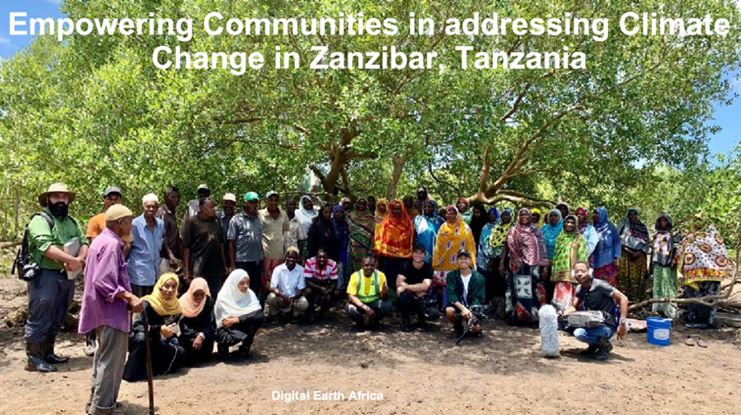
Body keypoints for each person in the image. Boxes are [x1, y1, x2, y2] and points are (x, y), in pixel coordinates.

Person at [79, 204, 143, 414]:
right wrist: (128, 296)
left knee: (103, 358)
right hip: (110, 312)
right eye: (129, 221)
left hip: (101, 311)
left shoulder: (101, 241)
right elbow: (103, 281)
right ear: (119, 223)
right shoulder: (112, 244)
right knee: (112, 362)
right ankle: (103, 408)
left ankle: (97, 402)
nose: (131, 225)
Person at [25, 183, 89, 372]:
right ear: (48, 199)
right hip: (45, 274)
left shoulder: (72, 221)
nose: (61, 200)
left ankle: (48, 352)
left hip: (67, 275)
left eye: (64, 196)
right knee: (40, 313)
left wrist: (80, 259)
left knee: (59, 313)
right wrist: (72, 259)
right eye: (56, 196)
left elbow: (84, 241)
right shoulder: (40, 220)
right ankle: (34, 358)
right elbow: (45, 246)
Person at [123, 273, 186, 381]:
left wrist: (171, 333)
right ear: (160, 286)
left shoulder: (177, 307)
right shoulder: (147, 303)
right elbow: (136, 326)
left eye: (173, 287)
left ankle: (152, 370)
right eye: (166, 286)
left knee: (179, 351)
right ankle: (131, 372)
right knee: (141, 338)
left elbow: (175, 326)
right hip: (144, 341)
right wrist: (158, 329)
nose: (170, 290)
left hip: (161, 342)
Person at [565, 261, 628, 361]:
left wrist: (622, 323)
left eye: (583, 271)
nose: (579, 274)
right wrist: (562, 314)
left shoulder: (600, 285)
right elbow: (574, 307)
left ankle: (604, 346)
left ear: (590, 272)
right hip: (591, 323)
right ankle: (594, 346)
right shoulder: (579, 288)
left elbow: (623, 299)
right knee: (565, 325)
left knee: (579, 333)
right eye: (576, 272)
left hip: (606, 325)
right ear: (573, 274)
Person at [678, 214, 730, 328]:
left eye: (700, 220)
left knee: (710, 298)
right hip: (693, 275)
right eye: (696, 220)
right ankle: (693, 319)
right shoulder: (689, 236)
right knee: (693, 297)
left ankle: (709, 321)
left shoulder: (714, 236)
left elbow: (720, 252)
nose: (698, 223)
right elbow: (681, 251)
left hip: (712, 275)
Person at [502, 208, 548, 325]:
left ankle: (531, 317)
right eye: (521, 214)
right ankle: (516, 317)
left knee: (532, 290)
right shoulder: (513, 230)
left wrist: (545, 266)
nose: (524, 217)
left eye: (526, 215)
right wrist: (501, 262)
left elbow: (542, 249)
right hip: (516, 265)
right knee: (515, 290)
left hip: (533, 266)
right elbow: (506, 247)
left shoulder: (536, 231)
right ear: (518, 216)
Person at [432, 205, 476, 308]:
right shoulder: (443, 227)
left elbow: (470, 244)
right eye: (448, 213)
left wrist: (471, 261)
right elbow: (438, 245)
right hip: (445, 262)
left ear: (457, 214)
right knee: (446, 285)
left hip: (460, 262)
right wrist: (436, 260)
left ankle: (462, 305)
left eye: (453, 213)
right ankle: (446, 305)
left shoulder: (465, 227)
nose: (450, 215)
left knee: (460, 283)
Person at [214, 269, 264, 359]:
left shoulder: (250, 294)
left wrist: (237, 319)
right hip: (225, 329)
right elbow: (224, 322)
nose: (245, 286)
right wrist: (244, 318)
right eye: (241, 283)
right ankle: (223, 348)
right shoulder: (223, 296)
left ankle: (244, 348)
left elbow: (259, 315)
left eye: (247, 283)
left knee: (255, 321)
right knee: (249, 322)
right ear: (234, 283)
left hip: (238, 323)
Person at [182, 197, 227, 295]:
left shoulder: (216, 222)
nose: (214, 209)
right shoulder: (193, 222)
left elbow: (221, 244)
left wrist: (224, 265)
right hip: (198, 267)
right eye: (211, 207)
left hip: (216, 267)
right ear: (202, 208)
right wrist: (186, 271)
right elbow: (186, 247)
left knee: (216, 295)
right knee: (199, 295)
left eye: (214, 207)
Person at [127, 193, 166, 298]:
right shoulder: (134, 224)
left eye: (154, 206)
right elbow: (128, 247)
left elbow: (162, 243)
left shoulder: (160, 224)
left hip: (154, 273)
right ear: (143, 207)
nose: (151, 209)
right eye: (148, 206)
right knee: (137, 306)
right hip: (138, 272)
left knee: (150, 305)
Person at [373, 199, 414, 298]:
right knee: (387, 278)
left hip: (403, 256)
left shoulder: (408, 222)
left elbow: (411, 238)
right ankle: (387, 297)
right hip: (387, 255)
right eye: (394, 209)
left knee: (400, 279)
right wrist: (378, 251)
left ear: (402, 209)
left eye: (399, 209)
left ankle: (399, 299)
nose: (396, 211)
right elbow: (379, 237)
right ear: (391, 210)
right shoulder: (386, 221)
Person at [227, 192, 264, 296]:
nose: (254, 205)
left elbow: (260, 240)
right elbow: (231, 243)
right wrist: (232, 265)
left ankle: (254, 311)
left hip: (257, 261)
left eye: (256, 202)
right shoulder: (236, 219)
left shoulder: (259, 219)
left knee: (255, 289)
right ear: (246, 203)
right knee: (241, 290)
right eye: (251, 202)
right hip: (242, 261)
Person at [397, 245, 439, 331]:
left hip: (423, 298)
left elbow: (425, 286)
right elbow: (399, 283)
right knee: (403, 296)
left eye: (421, 253)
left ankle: (421, 321)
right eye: (416, 252)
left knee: (434, 313)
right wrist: (417, 289)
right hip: (409, 297)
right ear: (412, 254)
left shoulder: (428, 267)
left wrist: (406, 287)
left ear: (424, 254)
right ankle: (406, 322)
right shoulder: (405, 265)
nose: (418, 255)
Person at [445, 250, 486, 338]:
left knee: (477, 329)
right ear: (457, 261)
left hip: (473, 307)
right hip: (458, 306)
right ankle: (458, 327)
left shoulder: (479, 278)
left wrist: (471, 313)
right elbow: (451, 296)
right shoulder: (450, 276)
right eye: (460, 258)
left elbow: (479, 298)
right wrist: (463, 309)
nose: (463, 261)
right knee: (449, 311)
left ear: (470, 260)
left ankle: (474, 327)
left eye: (466, 258)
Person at [550, 215, 588, 311]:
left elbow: (583, 255)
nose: (569, 224)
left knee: (573, 296)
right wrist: (553, 269)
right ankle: (559, 316)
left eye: (572, 222)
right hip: (560, 272)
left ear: (576, 224)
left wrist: (581, 271)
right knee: (560, 296)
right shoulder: (560, 237)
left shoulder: (579, 238)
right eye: (567, 222)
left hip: (573, 273)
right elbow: (555, 254)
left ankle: (570, 317)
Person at [649, 213, 681, 318]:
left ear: (668, 222)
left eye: (665, 221)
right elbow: (653, 251)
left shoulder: (674, 235)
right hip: (657, 264)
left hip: (668, 264)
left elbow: (678, 250)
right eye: (661, 221)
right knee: (658, 286)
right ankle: (658, 309)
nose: (663, 223)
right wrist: (650, 267)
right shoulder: (656, 235)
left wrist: (674, 260)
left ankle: (670, 311)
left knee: (668, 286)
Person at [177, 277, 215, 366]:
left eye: (202, 294)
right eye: (196, 294)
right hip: (188, 336)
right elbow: (183, 323)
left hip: (204, 336)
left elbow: (211, 322)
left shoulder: (208, 301)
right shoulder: (183, 302)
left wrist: (201, 336)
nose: (199, 297)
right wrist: (195, 336)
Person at [346, 256, 392, 328]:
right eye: (366, 265)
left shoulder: (380, 275)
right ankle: (361, 323)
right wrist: (366, 308)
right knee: (351, 308)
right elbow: (351, 296)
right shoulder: (355, 276)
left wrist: (385, 293)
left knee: (387, 305)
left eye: (372, 265)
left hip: (374, 302)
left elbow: (384, 297)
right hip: (360, 303)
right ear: (362, 265)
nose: (369, 267)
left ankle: (374, 321)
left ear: (375, 265)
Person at [266, 247, 310, 321]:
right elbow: (272, 287)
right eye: (289, 257)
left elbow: (301, 289)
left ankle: (294, 315)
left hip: (295, 299)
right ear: (285, 257)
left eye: (294, 257)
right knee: (271, 297)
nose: (291, 259)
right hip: (281, 297)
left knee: (304, 303)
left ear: (297, 258)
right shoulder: (278, 269)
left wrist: (293, 299)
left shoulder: (301, 270)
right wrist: (283, 296)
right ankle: (277, 315)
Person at [259, 191, 290, 296]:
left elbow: (286, 232)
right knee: (264, 282)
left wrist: (287, 250)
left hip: (279, 253)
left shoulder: (283, 214)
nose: (273, 202)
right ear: (266, 201)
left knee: (277, 281)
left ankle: (276, 308)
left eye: (276, 200)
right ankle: (262, 307)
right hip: (265, 253)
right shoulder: (260, 214)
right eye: (271, 200)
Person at [618, 208, 650, 302]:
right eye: (630, 214)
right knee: (624, 276)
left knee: (638, 277)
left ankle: (638, 299)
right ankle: (624, 299)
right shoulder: (623, 226)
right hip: (626, 254)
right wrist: (629, 250)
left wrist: (639, 252)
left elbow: (646, 241)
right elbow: (617, 239)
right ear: (627, 216)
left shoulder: (642, 227)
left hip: (640, 256)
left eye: (634, 214)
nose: (632, 216)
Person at [303, 249, 341, 321]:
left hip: (326, 284)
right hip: (313, 284)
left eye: (324, 257)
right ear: (316, 257)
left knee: (336, 293)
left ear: (327, 257)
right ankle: (311, 310)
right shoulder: (309, 262)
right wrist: (320, 288)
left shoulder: (333, 264)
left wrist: (329, 290)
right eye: (319, 257)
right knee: (308, 291)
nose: (322, 259)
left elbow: (334, 281)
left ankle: (324, 310)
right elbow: (308, 281)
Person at [590, 206, 621, 287]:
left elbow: (617, 242)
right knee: (596, 282)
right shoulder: (591, 227)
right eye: (593, 213)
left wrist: (617, 257)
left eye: (597, 213)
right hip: (595, 260)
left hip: (609, 260)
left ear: (603, 215)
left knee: (609, 282)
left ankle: (610, 299)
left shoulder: (611, 227)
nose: (594, 215)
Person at [156, 185, 182, 274]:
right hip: (164, 257)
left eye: (177, 197)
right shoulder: (162, 213)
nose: (176, 199)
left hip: (172, 257)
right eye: (172, 197)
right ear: (166, 198)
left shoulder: (172, 212)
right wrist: (170, 255)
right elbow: (162, 236)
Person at [348, 197, 375, 273]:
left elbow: (372, 234)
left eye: (363, 204)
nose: (361, 206)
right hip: (352, 246)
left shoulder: (370, 218)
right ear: (356, 204)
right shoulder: (350, 216)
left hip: (365, 247)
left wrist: (371, 248)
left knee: (364, 264)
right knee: (352, 266)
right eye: (359, 203)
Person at [413, 199, 443, 265]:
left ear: (434, 208)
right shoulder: (417, 219)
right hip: (420, 247)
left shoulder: (440, 220)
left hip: (435, 248)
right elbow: (413, 234)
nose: (427, 208)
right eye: (425, 207)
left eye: (429, 207)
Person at [284, 198, 308, 263]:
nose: (292, 206)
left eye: (294, 205)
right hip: (280, 252)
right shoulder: (281, 218)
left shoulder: (297, 221)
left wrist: (299, 255)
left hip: (292, 253)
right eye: (290, 204)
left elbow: (301, 240)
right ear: (286, 206)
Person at [332, 204, 351, 285]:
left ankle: (341, 288)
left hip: (343, 251)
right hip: (332, 250)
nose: (339, 214)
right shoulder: (330, 224)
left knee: (342, 270)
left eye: (341, 212)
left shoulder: (346, 225)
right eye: (336, 212)